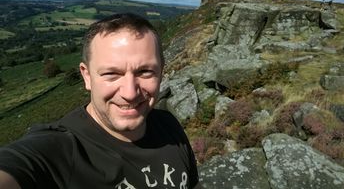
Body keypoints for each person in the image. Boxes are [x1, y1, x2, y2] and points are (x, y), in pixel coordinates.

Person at [0, 13, 200, 188]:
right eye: (112, 73)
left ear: (161, 72)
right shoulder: (62, 149)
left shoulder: (169, 125)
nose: (130, 93)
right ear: (86, 76)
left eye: (145, 71)